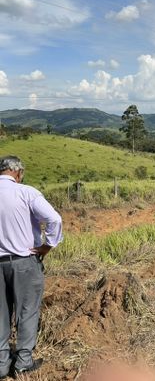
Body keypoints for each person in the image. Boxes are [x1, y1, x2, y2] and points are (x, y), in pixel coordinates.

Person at [0, 156, 59, 376]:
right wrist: (47, 246)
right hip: (24, 261)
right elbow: (54, 219)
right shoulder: (26, 192)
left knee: (0, 314)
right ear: (17, 172)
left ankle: (1, 364)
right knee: (27, 311)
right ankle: (23, 362)